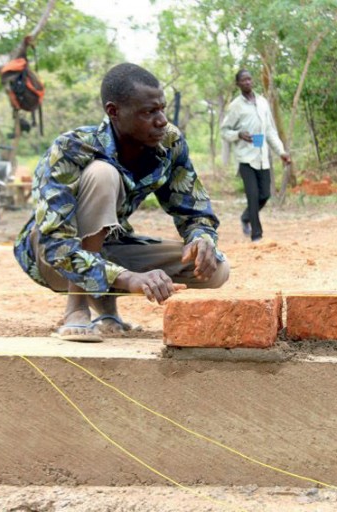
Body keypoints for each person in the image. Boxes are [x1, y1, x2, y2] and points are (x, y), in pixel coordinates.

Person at [14, 63, 229, 342]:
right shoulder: (72, 148)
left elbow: (194, 210)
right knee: (103, 174)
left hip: (111, 247)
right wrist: (129, 278)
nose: (162, 120)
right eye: (149, 112)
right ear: (113, 111)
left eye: (162, 109)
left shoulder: (169, 143)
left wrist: (201, 239)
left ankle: (106, 310)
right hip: (51, 258)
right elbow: (56, 246)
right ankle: (76, 308)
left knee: (215, 270)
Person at [221, 69, 291, 242]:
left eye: (249, 79)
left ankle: (246, 217)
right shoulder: (236, 106)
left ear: (252, 81)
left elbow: (270, 131)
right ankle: (256, 235)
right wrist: (238, 134)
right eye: (243, 80)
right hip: (245, 158)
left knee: (264, 195)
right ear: (238, 84)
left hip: (263, 158)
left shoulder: (262, 102)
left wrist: (281, 152)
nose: (247, 82)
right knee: (252, 197)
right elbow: (224, 131)